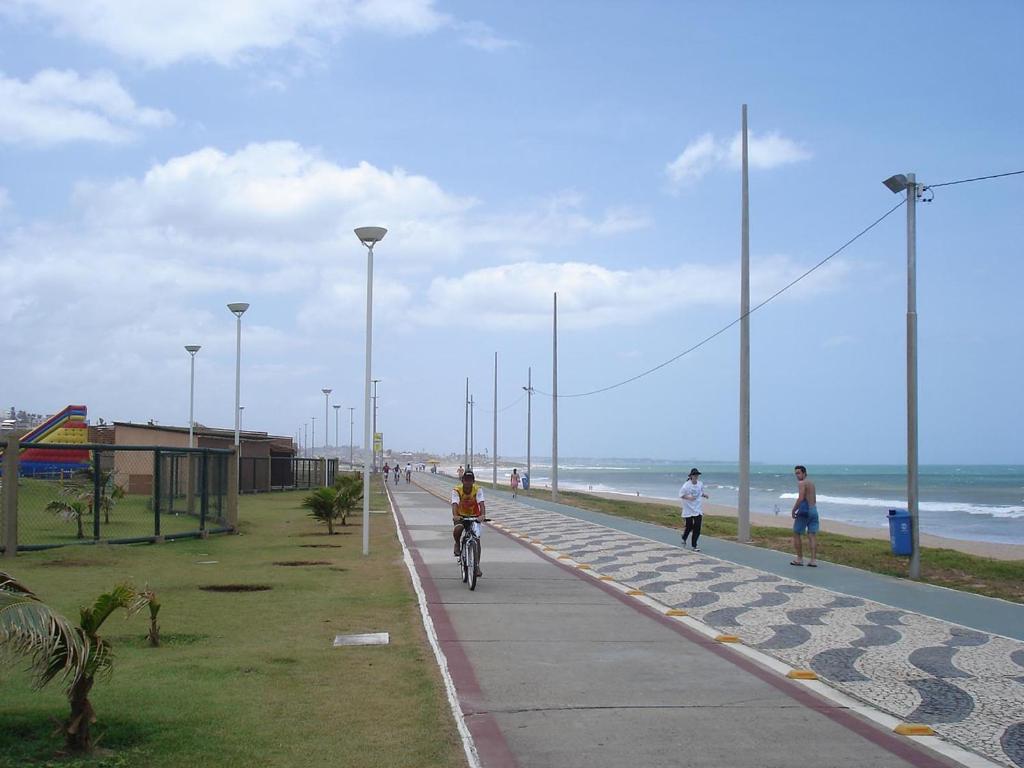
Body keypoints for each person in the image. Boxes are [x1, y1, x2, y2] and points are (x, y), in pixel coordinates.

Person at [451, 469, 486, 577]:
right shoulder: (456, 490)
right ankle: (457, 543)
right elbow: (454, 504)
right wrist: (456, 516)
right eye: (466, 480)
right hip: (461, 516)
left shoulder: (478, 489)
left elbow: (481, 503)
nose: (468, 482)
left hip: (475, 516)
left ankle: (477, 566)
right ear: (462, 480)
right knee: (458, 528)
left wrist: (482, 515)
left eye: (470, 480)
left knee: (477, 539)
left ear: (473, 481)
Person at [790, 465, 819, 567]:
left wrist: (794, 510)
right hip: (814, 510)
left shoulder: (802, 483)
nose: (797, 475)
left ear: (804, 473)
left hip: (805, 511)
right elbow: (813, 499)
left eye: (798, 473)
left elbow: (801, 498)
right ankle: (813, 560)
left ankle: (799, 559)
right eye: (796, 473)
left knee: (796, 533)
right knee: (812, 535)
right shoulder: (811, 483)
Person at [679, 467, 709, 552]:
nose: (696, 476)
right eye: (694, 475)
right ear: (691, 476)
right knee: (689, 526)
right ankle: (684, 537)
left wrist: (704, 495)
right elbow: (681, 495)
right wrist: (689, 497)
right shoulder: (686, 485)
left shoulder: (700, 484)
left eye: (697, 475)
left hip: (697, 509)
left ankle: (694, 545)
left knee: (697, 527)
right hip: (688, 509)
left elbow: (700, 492)